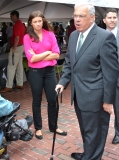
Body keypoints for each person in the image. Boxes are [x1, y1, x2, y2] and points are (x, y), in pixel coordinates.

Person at [55, 3, 119, 160]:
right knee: (86, 130)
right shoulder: (74, 36)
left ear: (92, 17)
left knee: (96, 132)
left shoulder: (105, 37)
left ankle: (92, 157)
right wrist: (63, 82)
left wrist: (108, 101)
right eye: (75, 16)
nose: (77, 19)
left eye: (81, 16)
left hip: (96, 97)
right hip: (79, 95)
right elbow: (70, 62)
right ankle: (88, 154)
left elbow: (111, 73)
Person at [23, 11, 67, 140]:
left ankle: (53, 127)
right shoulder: (27, 37)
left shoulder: (50, 34)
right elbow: (31, 59)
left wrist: (39, 56)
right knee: (37, 100)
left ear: (43, 21)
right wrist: (48, 53)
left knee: (52, 99)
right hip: (35, 73)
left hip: (50, 72)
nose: (37, 24)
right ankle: (38, 128)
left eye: (39, 21)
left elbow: (57, 54)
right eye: (35, 21)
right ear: (30, 23)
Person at [103, 8, 119, 145]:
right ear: (104, 20)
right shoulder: (100, 35)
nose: (112, 20)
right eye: (110, 18)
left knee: (118, 108)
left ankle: (118, 133)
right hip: (102, 79)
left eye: (114, 17)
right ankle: (100, 135)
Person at [0, 10, 26, 92]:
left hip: (17, 47)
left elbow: (17, 37)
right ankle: (19, 83)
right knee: (19, 66)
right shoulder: (21, 24)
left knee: (11, 66)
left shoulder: (17, 25)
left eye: (11, 16)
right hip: (21, 46)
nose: (10, 18)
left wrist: (14, 48)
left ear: (15, 16)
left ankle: (9, 86)